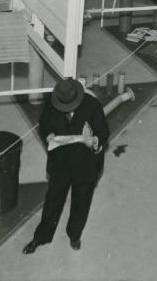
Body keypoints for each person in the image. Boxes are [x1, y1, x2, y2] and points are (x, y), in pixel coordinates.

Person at [22, 77, 109, 254]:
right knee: (52, 201)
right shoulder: (53, 103)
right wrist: (48, 135)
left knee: (81, 203)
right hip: (60, 162)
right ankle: (41, 237)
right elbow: (44, 124)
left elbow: (104, 132)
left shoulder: (92, 105)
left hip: (85, 164)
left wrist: (93, 140)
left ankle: (74, 235)